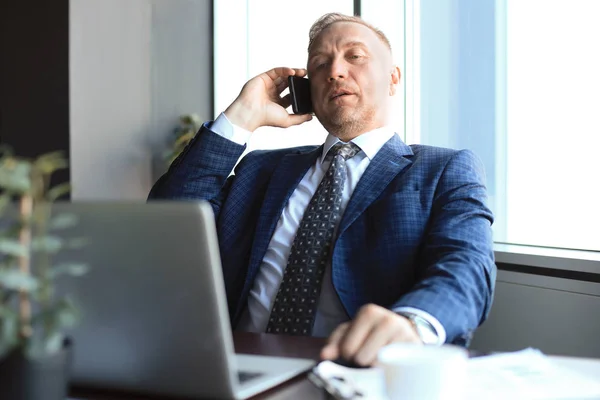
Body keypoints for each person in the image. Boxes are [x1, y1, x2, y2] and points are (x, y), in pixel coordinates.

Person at [149, 12, 495, 366]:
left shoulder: (443, 169)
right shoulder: (261, 169)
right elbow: (168, 219)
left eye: (355, 56)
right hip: (238, 363)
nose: (335, 71)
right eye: (319, 64)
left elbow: (467, 266)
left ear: (393, 78)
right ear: (306, 89)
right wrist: (241, 115)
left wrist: (413, 323)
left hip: (353, 369)